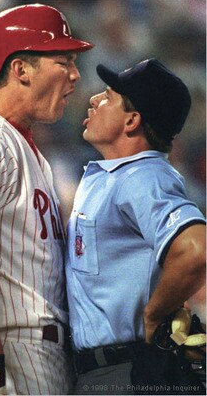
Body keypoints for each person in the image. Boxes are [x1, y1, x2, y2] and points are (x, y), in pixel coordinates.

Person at [0, 3, 93, 395]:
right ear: (21, 69)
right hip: (9, 351)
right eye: (64, 60)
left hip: (44, 353)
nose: (76, 75)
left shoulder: (29, 152)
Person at [65, 58, 206, 395]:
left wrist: (155, 314)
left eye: (108, 96)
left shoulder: (143, 176)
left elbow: (197, 250)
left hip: (129, 372)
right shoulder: (116, 176)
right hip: (110, 371)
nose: (94, 100)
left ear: (132, 120)